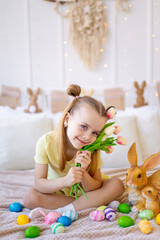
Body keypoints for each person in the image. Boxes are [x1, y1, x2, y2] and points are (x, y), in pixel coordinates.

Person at [23, 84, 125, 218]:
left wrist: (83, 172)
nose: (88, 137)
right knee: (29, 197)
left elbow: (94, 187)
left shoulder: (91, 148)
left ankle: (63, 211)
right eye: (83, 126)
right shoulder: (46, 142)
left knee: (117, 184)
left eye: (95, 132)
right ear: (67, 119)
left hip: (87, 192)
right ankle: (95, 202)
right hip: (59, 191)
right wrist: (66, 181)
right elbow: (39, 184)